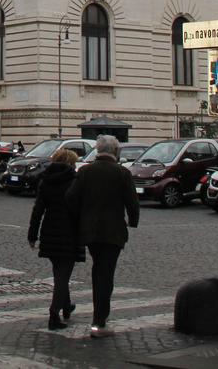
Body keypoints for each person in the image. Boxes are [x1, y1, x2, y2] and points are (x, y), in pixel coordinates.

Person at [65, 135, 139, 338]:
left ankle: (100, 317)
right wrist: (132, 221)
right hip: (114, 231)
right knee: (105, 273)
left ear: (98, 151)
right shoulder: (122, 173)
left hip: (89, 230)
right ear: (115, 152)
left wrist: (80, 216)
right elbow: (132, 202)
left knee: (100, 270)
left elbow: (71, 197)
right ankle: (99, 321)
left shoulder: (86, 171)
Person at [28, 148, 84, 329]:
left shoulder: (46, 180)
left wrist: (32, 235)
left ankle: (66, 306)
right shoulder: (73, 181)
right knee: (62, 276)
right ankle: (54, 313)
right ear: (69, 163)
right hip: (69, 232)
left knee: (60, 273)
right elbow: (80, 209)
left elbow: (38, 210)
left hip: (50, 230)